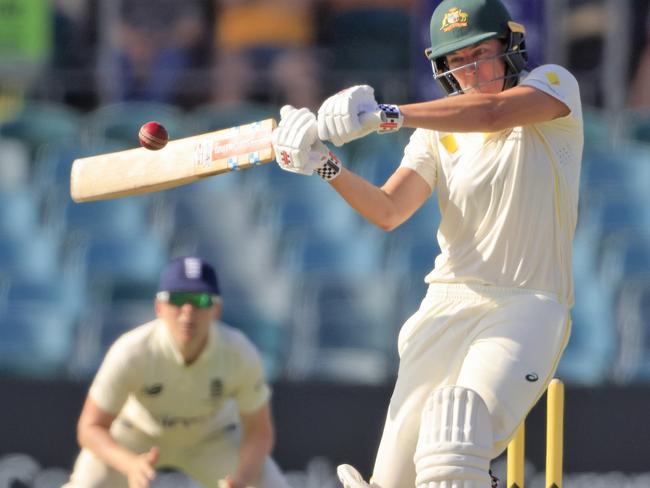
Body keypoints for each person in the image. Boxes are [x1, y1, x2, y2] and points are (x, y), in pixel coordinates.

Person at [271, 0, 582, 486]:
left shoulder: (554, 89)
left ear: (510, 47)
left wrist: (386, 114)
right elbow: (389, 210)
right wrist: (323, 165)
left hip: (525, 303)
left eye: (481, 52)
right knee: (391, 481)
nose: (471, 69)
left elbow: (493, 113)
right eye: (457, 61)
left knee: (454, 443)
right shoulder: (437, 135)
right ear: (442, 67)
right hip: (445, 305)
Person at [63, 256, 290, 488]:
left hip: (211, 438)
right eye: (177, 299)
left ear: (216, 310)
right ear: (159, 307)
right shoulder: (132, 351)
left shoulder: (238, 352)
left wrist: (240, 480)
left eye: (200, 300)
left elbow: (259, 431)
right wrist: (129, 463)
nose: (188, 311)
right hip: (138, 434)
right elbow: (90, 427)